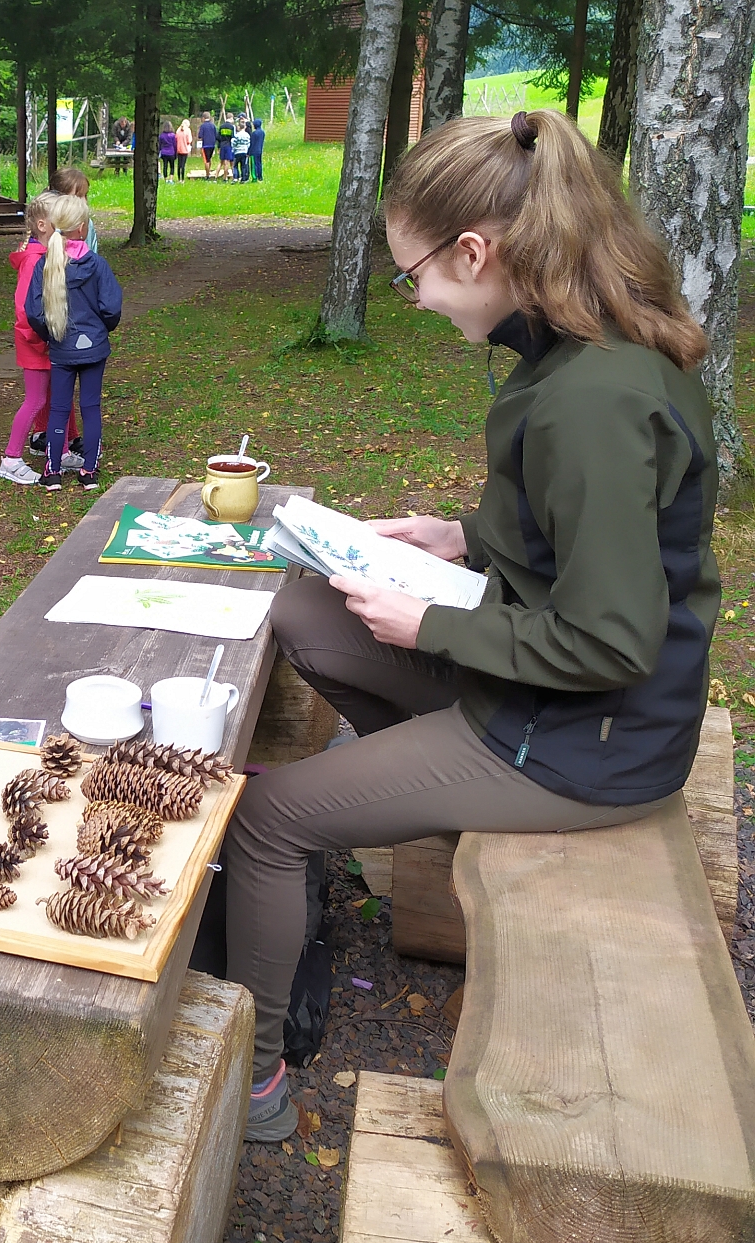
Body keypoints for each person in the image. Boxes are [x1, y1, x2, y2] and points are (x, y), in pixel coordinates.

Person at [222, 108, 719, 1144]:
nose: (416, 298)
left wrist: (428, 627)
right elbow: (585, 533)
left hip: (585, 742)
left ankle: (252, 1085)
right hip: (545, 694)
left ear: (475, 252)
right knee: (306, 604)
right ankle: (423, 790)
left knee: (267, 821)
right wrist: (460, 537)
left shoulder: (592, 399)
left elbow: (612, 641)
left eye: (415, 275)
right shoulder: (577, 350)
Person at [25, 192, 123, 494]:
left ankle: (53, 471)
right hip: (94, 348)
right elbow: (111, 308)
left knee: (58, 409)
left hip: (61, 348)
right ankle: (89, 471)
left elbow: (34, 311)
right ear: (82, 227)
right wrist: (101, 331)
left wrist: (51, 335)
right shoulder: (98, 265)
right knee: (91, 407)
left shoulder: (46, 265)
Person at [0, 206, 82, 486]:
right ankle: (11, 459)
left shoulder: (48, 256)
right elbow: (25, 310)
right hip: (36, 343)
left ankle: (61, 451)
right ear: (44, 225)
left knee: (59, 396)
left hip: (50, 341)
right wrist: (41, 341)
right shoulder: (33, 261)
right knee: (36, 400)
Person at [197, 110, 218, 177]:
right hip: (212, 145)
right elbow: (216, 135)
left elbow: (200, 136)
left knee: (206, 160)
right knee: (210, 158)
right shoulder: (213, 125)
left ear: (203, 118)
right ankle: (209, 171)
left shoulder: (203, 126)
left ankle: (207, 175)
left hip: (205, 145)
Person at [216, 110, 236, 179]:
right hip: (228, 145)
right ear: (231, 118)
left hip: (222, 145)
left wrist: (218, 147)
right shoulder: (231, 127)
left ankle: (216, 176)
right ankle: (225, 177)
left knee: (221, 162)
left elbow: (218, 137)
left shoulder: (221, 126)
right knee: (227, 162)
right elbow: (233, 137)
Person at [174, 115, 192, 180]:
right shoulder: (188, 130)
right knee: (183, 165)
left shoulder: (178, 130)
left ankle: (179, 178)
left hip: (179, 149)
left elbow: (176, 139)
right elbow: (189, 141)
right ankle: (182, 179)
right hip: (185, 149)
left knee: (179, 164)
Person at [249, 116, 265, 183]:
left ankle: (254, 177)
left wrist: (249, 152)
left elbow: (251, 143)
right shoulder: (262, 132)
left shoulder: (254, 133)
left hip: (253, 151)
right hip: (260, 150)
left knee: (254, 165)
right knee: (259, 164)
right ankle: (260, 177)